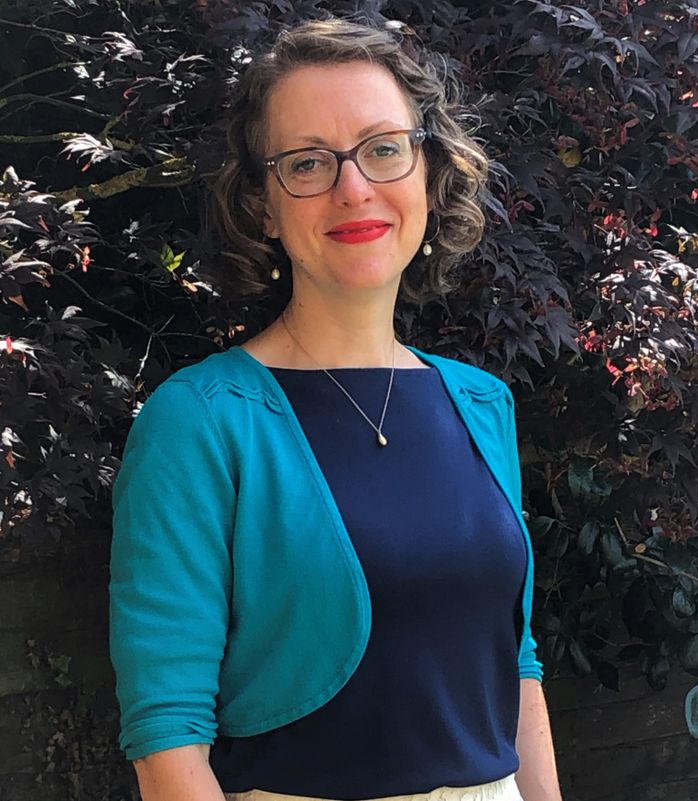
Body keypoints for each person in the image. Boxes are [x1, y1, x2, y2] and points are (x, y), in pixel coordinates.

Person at [109, 15, 563, 801]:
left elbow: (514, 666)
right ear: (261, 205)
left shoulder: (481, 403)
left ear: (428, 171)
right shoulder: (202, 419)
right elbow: (167, 737)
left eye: (384, 148)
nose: (354, 187)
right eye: (308, 162)